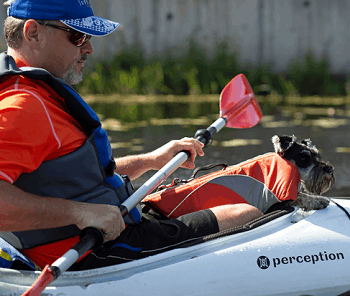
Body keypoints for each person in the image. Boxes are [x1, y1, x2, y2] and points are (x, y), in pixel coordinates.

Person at [0, 0, 263, 270]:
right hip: (95, 254)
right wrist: (80, 214)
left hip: (105, 235)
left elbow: (80, 181)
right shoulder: (24, 106)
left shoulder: (34, 94)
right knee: (246, 215)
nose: (89, 48)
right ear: (33, 33)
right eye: (77, 37)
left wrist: (150, 160)